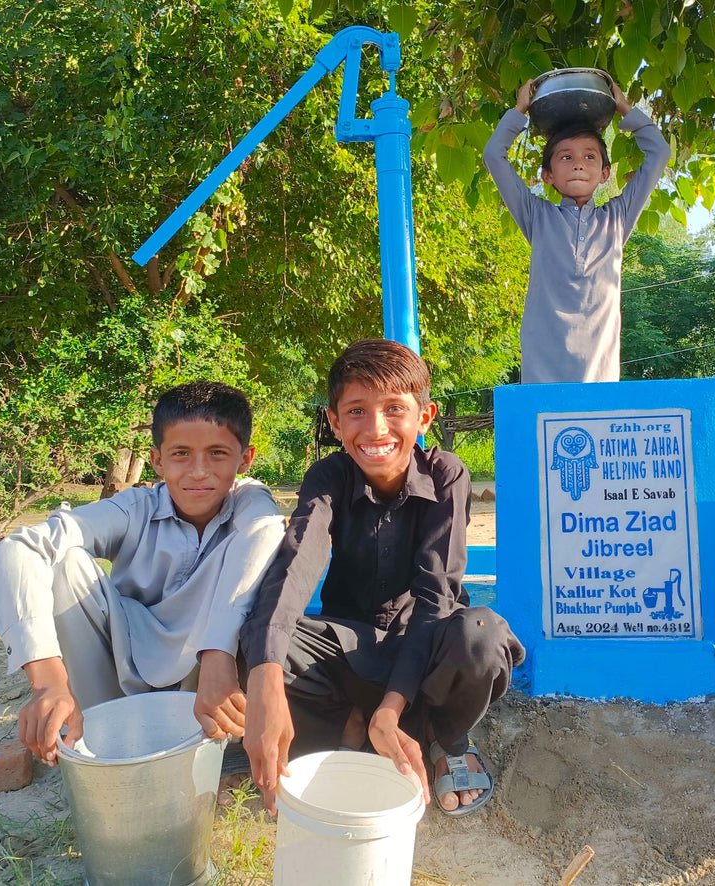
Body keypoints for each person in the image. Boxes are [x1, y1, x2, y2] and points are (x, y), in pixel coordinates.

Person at [241, 339, 525, 816]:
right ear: (334, 421)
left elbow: (436, 597)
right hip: (351, 643)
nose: (375, 428)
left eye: (395, 408)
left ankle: (445, 740)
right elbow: (295, 565)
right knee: (258, 640)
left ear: (425, 416)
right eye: (356, 410)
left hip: (428, 643)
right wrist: (264, 677)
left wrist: (392, 705)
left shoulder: (445, 475)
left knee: (481, 636)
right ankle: (353, 724)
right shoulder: (327, 476)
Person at [0, 381, 285, 764]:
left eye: (217, 454)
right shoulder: (135, 508)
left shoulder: (250, 505)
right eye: (180, 454)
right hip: (114, 669)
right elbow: (19, 548)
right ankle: (90, 733)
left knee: (260, 547)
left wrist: (217, 655)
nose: (198, 472)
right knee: (64, 561)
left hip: (206, 678)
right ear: (157, 460)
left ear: (244, 460)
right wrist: (47, 682)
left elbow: (265, 531)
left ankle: (204, 744)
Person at [483, 77, 670, 384]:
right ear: (548, 175)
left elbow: (659, 152)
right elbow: (494, 156)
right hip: (542, 373)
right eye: (566, 157)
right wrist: (519, 110)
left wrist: (623, 107)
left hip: (600, 375)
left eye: (589, 157)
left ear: (605, 173)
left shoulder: (617, 218)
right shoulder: (537, 217)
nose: (578, 165)